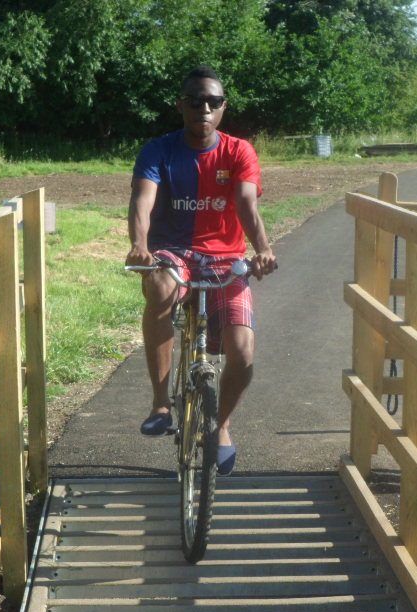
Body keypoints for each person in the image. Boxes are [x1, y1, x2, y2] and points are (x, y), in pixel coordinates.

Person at [126, 65, 277, 475]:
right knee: (159, 284)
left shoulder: (239, 151)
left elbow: (247, 203)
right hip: (174, 252)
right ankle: (161, 403)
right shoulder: (158, 150)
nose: (204, 108)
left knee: (242, 353)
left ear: (223, 108)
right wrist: (140, 245)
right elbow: (142, 201)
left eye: (213, 102)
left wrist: (262, 249)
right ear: (181, 106)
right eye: (195, 101)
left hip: (226, 258)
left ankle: (220, 425)